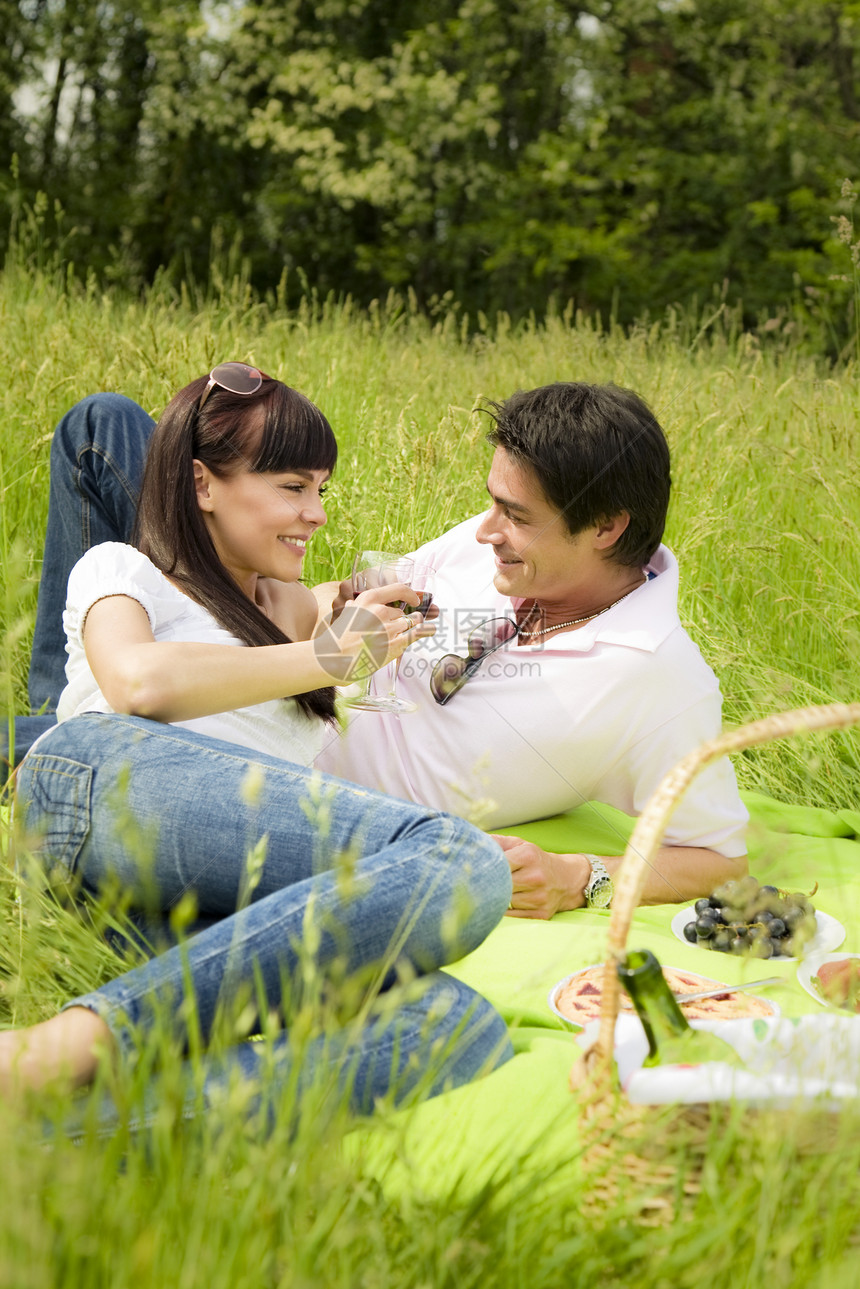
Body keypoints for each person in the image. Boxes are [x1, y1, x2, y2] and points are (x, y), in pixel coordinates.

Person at [5, 379, 748, 922]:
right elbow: (350, 596)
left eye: (513, 515)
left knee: (66, 741)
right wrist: (265, 592)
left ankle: (75, 694)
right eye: (490, 501)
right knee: (105, 427)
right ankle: (85, 675)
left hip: (275, 774)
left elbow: (720, 860)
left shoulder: (658, 678)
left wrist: (579, 874)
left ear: (607, 528)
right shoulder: (496, 547)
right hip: (261, 681)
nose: (483, 530)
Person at [3, 364, 513, 1111]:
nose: (316, 514)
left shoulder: (290, 607)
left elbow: (350, 596)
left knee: (453, 1024)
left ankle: (59, 1147)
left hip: (156, 904)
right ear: (204, 484)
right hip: (95, 789)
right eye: (292, 487)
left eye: (322, 491)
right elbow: (138, 682)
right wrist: (329, 659)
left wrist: (366, 606)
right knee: (464, 861)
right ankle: (54, 1051)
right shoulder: (125, 572)